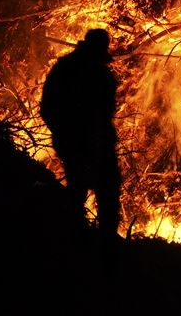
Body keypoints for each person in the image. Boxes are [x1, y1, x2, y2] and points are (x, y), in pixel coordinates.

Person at [40, 28, 121, 238]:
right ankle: (92, 240)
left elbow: (47, 108)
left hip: (91, 142)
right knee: (99, 190)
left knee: (92, 189)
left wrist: (62, 136)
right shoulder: (82, 71)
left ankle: (88, 238)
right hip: (83, 142)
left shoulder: (68, 68)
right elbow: (49, 108)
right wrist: (66, 135)